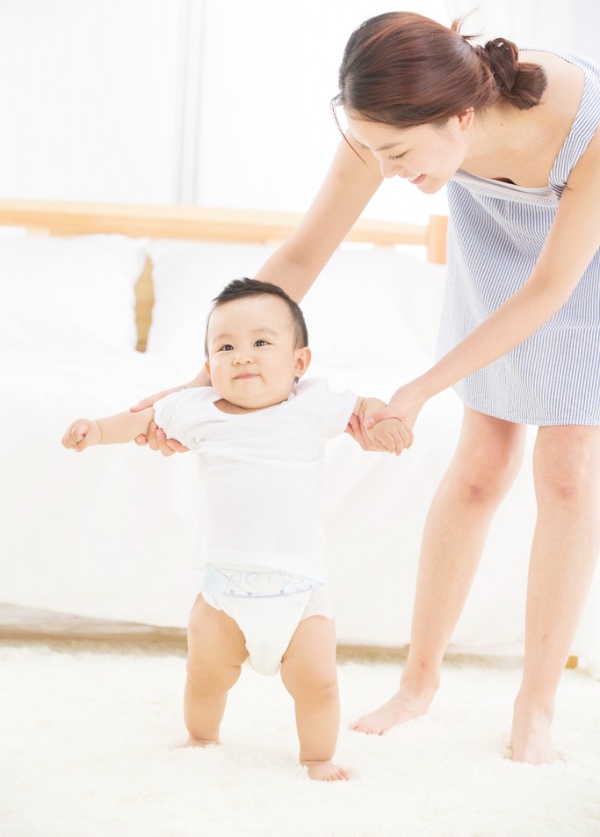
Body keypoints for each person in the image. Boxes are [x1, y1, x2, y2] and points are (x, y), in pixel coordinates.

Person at [133, 11, 600, 765]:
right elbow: (303, 254)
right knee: (480, 467)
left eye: (399, 153)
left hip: (581, 275)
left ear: (461, 117)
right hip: (495, 261)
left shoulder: (589, 126)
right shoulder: (385, 123)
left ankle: (535, 706)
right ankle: (419, 683)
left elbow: (549, 292)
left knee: (570, 475)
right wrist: (194, 387)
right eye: (374, 151)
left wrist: (419, 388)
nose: (386, 171)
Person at [62, 277, 408, 782]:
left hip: (301, 592)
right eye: (226, 347)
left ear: (299, 363)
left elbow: (363, 406)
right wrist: (95, 430)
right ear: (208, 368)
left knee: (319, 685)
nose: (242, 356)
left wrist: (380, 421)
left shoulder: (312, 403)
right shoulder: (195, 410)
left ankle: (318, 758)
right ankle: (201, 736)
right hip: (225, 590)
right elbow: (139, 420)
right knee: (204, 675)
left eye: (261, 342)